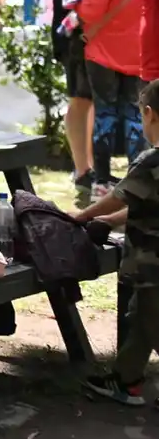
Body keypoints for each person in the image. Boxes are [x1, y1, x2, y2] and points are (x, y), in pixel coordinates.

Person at [73, 78, 159, 406]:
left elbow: (118, 197)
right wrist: (109, 222)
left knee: (153, 322)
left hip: (151, 265)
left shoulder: (151, 161)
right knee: (139, 322)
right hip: (149, 268)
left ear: (149, 114)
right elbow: (142, 203)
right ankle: (127, 381)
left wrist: (82, 216)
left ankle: (127, 381)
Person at [52, 0, 131, 195]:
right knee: (81, 99)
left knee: (86, 100)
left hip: (83, 35)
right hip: (78, 36)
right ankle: (83, 169)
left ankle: (86, 168)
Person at [81, 0, 150, 190]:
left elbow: (90, 11)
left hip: (103, 55)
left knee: (106, 114)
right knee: (136, 115)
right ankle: (136, 177)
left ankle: (102, 180)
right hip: (140, 53)